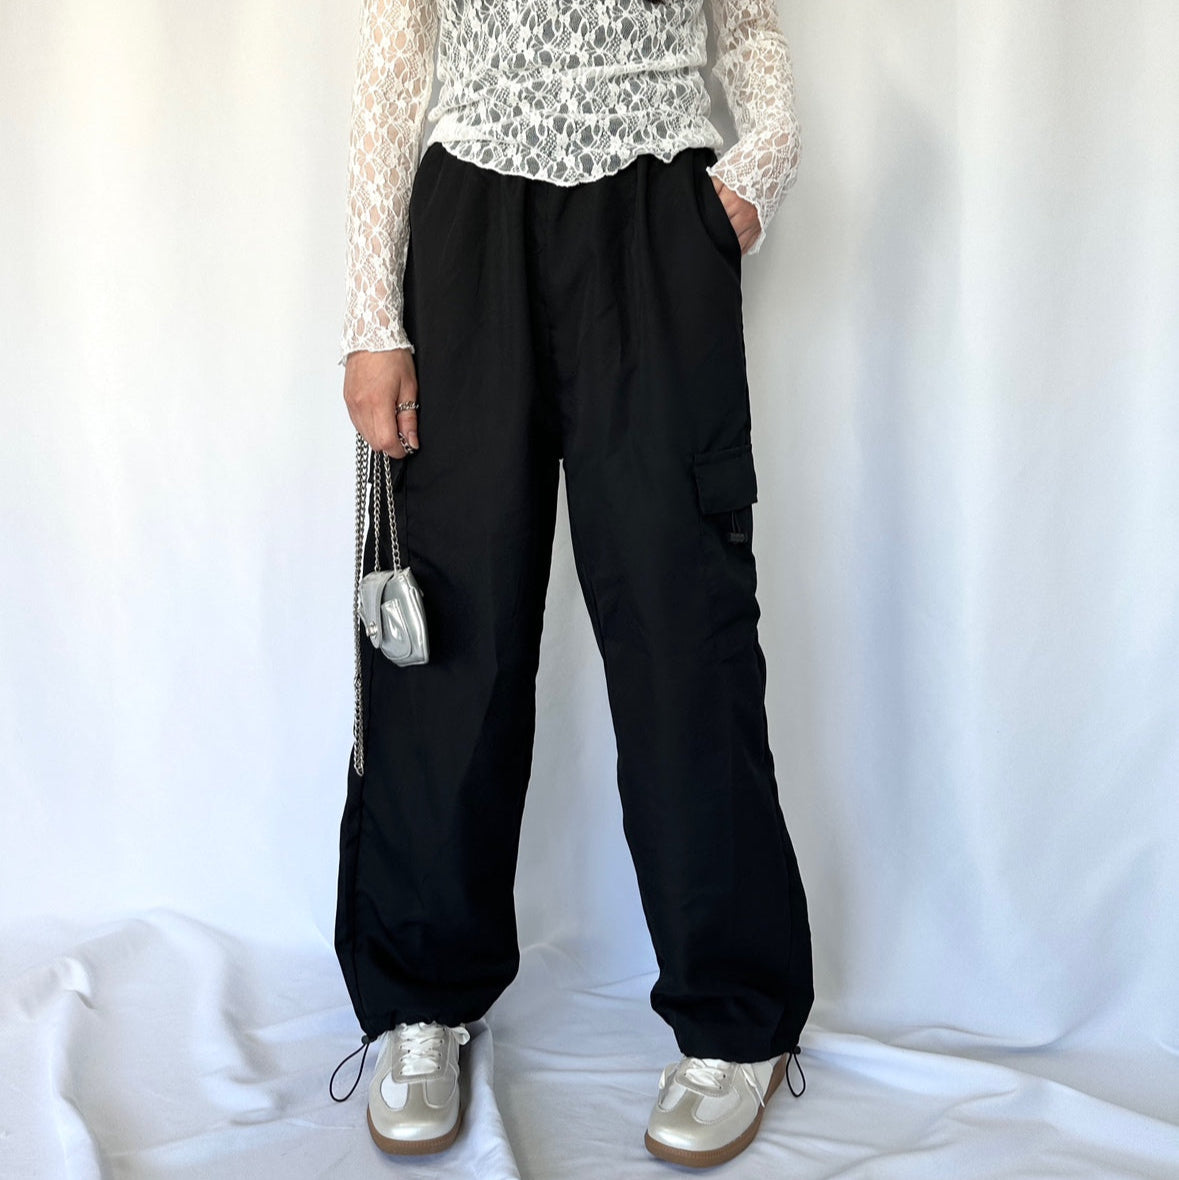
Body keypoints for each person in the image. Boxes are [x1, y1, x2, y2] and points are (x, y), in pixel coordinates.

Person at [330, 0, 814, 1167]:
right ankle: (421, 998)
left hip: (655, 218)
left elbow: (748, 25)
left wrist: (759, 167)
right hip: (469, 224)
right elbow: (395, 55)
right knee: (448, 634)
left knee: (682, 626)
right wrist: (371, 316)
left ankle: (736, 1018)